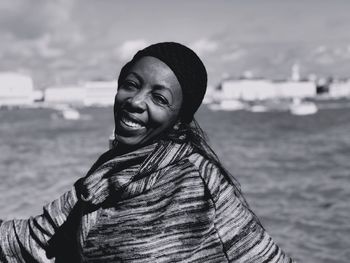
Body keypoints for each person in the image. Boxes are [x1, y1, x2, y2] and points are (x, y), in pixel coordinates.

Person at [0, 42, 294, 262]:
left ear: (179, 118)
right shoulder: (107, 172)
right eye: (131, 85)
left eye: (159, 98)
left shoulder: (201, 184)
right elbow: (39, 237)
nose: (136, 101)